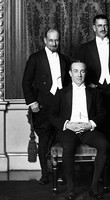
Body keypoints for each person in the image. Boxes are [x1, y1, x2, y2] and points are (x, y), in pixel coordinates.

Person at [49, 61, 109, 200]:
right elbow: (52, 115)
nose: (79, 74)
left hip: (88, 129)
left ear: (85, 73)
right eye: (75, 71)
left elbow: (102, 114)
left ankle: (94, 188)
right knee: (68, 146)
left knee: (104, 144)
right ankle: (70, 188)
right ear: (70, 73)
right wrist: (67, 125)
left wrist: (90, 125)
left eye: (82, 71)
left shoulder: (94, 93)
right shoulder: (61, 93)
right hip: (68, 130)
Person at [22, 29, 71, 185]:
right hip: (42, 106)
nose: (54, 43)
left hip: (61, 108)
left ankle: (62, 174)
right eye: (51, 40)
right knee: (44, 141)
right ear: (44, 40)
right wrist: (32, 102)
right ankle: (45, 175)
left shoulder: (64, 59)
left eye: (56, 41)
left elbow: (69, 84)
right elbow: (26, 82)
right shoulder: (35, 58)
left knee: (63, 140)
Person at [78, 14, 110, 165]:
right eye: (99, 25)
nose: (103, 28)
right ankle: (100, 164)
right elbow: (79, 71)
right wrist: (89, 85)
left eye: (105, 25)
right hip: (95, 91)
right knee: (99, 124)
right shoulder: (85, 48)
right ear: (94, 28)